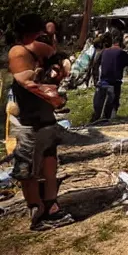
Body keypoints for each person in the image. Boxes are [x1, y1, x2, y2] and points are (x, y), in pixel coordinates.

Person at [8, 13, 74, 231]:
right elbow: (28, 83)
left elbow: (59, 60)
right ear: (32, 34)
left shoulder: (44, 52)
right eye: (43, 33)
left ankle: (52, 206)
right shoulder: (19, 52)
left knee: (49, 164)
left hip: (45, 120)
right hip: (27, 123)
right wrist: (53, 97)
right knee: (29, 170)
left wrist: (62, 65)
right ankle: (36, 211)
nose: (48, 37)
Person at [91, 31, 128, 121]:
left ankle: (99, 117)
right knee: (115, 100)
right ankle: (112, 115)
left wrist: (96, 79)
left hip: (103, 81)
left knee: (99, 103)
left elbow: (95, 65)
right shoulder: (121, 52)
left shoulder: (103, 52)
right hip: (115, 81)